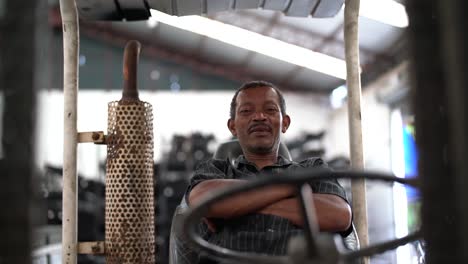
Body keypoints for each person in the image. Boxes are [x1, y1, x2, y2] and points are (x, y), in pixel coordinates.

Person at [184, 80, 352, 263]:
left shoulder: (313, 168)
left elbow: (339, 215)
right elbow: (202, 200)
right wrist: (293, 186)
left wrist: (235, 207)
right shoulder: (216, 170)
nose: (259, 116)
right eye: (247, 111)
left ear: (285, 123)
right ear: (233, 127)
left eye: (270, 110)